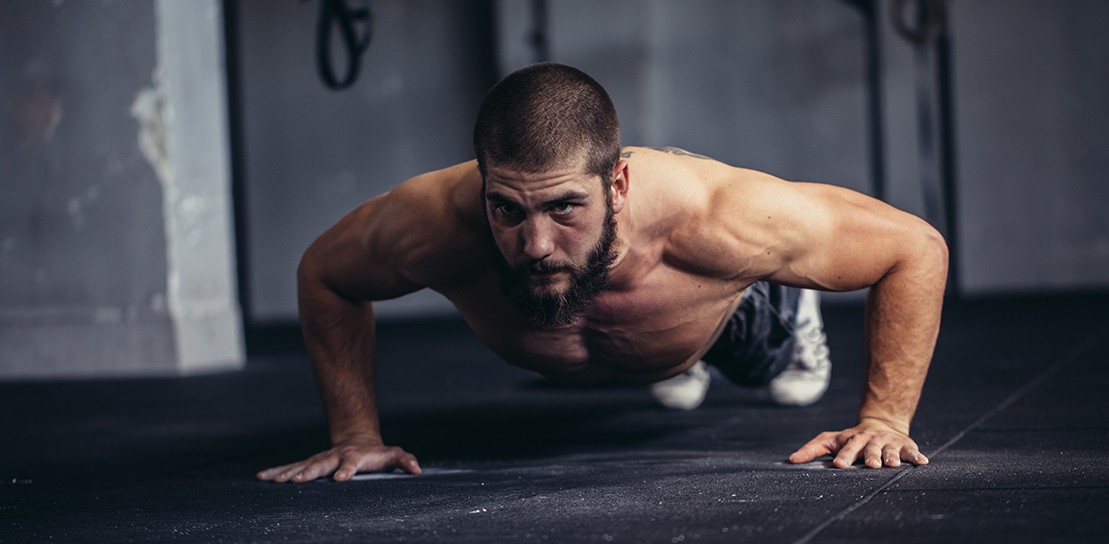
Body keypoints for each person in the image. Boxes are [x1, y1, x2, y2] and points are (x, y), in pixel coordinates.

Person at [257, 63, 947, 483]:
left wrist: (884, 419)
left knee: (780, 375)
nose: (533, 245)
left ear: (617, 183)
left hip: (715, 305)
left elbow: (914, 247)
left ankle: (779, 314)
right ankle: (671, 360)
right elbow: (326, 273)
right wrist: (354, 437)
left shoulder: (720, 218)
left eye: (564, 208)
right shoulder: (432, 222)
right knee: (634, 329)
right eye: (506, 209)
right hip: (627, 318)